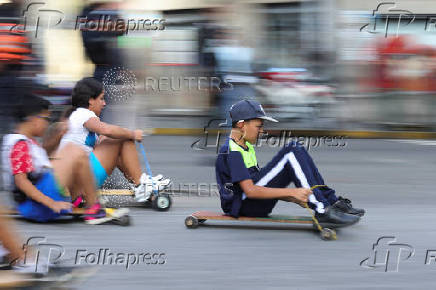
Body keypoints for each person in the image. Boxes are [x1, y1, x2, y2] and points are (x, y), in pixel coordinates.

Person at [215, 99, 365, 226]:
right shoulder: (231, 151)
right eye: (259, 126)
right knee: (292, 151)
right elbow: (251, 191)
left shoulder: (246, 148)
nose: (262, 131)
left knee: (296, 149)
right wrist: (292, 192)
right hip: (243, 206)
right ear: (241, 125)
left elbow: (263, 184)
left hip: (250, 203)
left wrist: (293, 198)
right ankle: (322, 210)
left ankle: (331, 202)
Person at [59, 77, 171, 202]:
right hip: (81, 181)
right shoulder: (83, 114)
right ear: (90, 101)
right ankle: (140, 184)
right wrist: (132, 134)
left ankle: (138, 184)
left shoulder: (75, 115)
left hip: (77, 180)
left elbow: (105, 138)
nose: (104, 103)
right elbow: (107, 130)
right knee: (122, 138)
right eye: (101, 98)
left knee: (112, 139)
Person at [1, 94, 105, 222]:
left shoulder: (26, 141)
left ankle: (82, 200)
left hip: (38, 198)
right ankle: (92, 205)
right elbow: (21, 181)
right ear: (33, 119)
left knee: (70, 151)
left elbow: (41, 163)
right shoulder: (19, 145)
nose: (47, 123)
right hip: (37, 206)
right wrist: (51, 203)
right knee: (74, 151)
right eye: (46, 119)